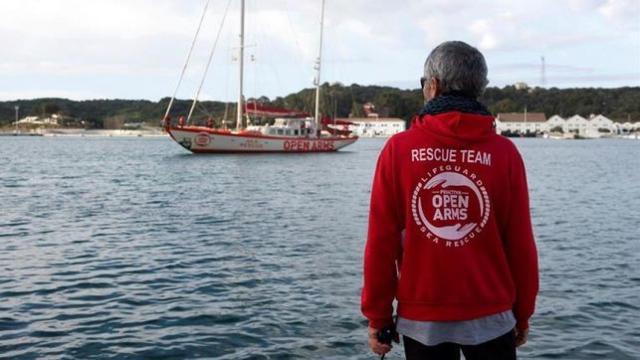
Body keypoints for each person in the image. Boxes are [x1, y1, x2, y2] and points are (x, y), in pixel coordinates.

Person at [361, 41, 539, 360]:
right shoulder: (505, 153)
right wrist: (523, 312)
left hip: (422, 319)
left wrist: (378, 317)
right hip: (493, 315)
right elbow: (521, 244)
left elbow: (381, 243)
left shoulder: (399, 150)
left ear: (433, 86)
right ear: (478, 89)